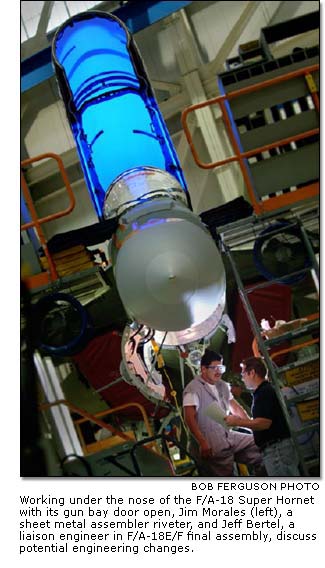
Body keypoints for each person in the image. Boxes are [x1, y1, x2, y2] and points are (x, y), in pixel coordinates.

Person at [183, 350, 262, 476]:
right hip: (211, 443)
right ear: (203, 369)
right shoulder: (193, 390)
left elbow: (235, 408)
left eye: (221, 367)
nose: (218, 371)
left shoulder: (223, 386)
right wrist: (202, 442)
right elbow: (189, 419)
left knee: (259, 445)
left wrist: (252, 427)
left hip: (227, 436)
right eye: (214, 368)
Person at [224, 356, 300, 476]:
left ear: (252, 372)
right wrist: (232, 406)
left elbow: (264, 423)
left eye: (243, 373)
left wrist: (237, 422)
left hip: (277, 451)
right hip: (276, 450)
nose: (242, 378)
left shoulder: (264, 392)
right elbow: (258, 424)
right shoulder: (262, 392)